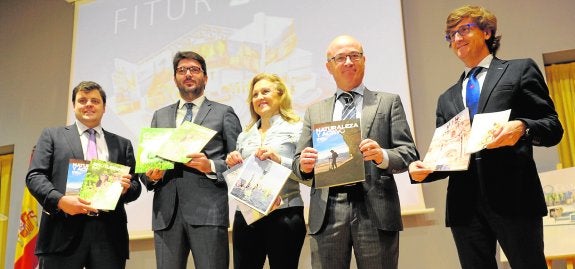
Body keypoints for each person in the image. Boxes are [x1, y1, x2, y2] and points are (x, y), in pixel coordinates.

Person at [408, 5, 564, 269]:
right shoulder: (446, 98)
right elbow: (446, 156)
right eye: (451, 35)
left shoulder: (519, 70)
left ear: (488, 31)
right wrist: (421, 170)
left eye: (464, 29)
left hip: (514, 197)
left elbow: (552, 127)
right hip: (464, 206)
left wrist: (522, 127)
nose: (456, 39)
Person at [292, 35, 418, 269]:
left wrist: (382, 156)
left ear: (364, 60)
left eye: (355, 55)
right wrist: (304, 166)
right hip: (328, 209)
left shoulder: (388, 102)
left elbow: (409, 153)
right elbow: (298, 163)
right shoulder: (314, 111)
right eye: (340, 57)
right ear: (329, 66)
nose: (349, 61)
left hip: (375, 209)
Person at [141, 51, 242, 269]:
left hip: (208, 213)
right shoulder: (160, 115)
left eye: (194, 70)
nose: (188, 74)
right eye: (181, 70)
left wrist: (211, 166)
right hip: (166, 215)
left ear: (205, 78)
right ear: (175, 78)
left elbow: (240, 164)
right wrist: (151, 176)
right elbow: (147, 166)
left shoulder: (224, 113)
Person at [26, 81, 142, 269]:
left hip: (109, 238)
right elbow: (35, 176)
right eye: (82, 100)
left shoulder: (122, 144)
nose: (89, 104)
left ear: (104, 108)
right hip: (61, 234)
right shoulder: (52, 136)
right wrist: (60, 201)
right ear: (74, 106)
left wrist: (126, 189)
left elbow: (135, 186)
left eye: (95, 101)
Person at [226, 73, 306, 269]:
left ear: (280, 95)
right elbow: (241, 176)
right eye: (255, 94)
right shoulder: (244, 135)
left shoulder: (298, 129)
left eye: (265, 91)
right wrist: (233, 164)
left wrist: (279, 159)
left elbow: (308, 174)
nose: (259, 97)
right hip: (247, 215)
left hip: (285, 213)